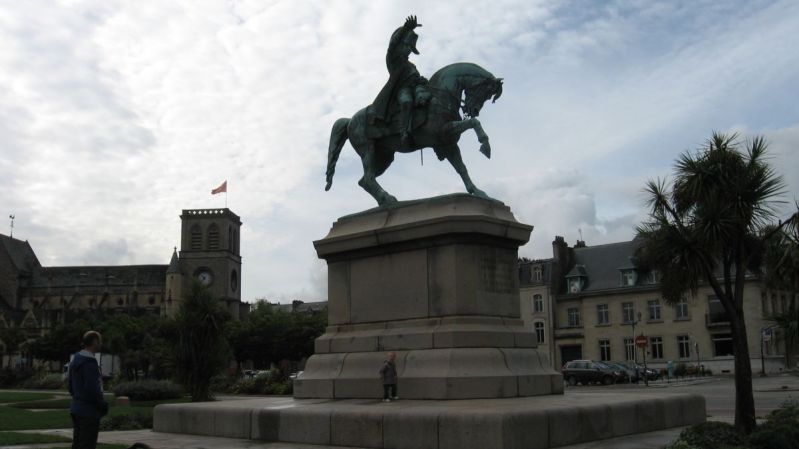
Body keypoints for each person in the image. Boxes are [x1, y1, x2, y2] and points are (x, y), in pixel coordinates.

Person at [371, 15, 431, 149]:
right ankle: (404, 132)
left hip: (416, 90)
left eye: (411, 47)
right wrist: (405, 28)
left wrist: (422, 82)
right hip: (402, 90)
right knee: (406, 101)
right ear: (401, 45)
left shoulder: (412, 66)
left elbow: (417, 80)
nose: (409, 49)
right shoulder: (393, 60)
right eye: (407, 46)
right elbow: (391, 45)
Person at [68, 331, 109, 449]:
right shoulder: (89, 363)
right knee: (87, 445)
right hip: (88, 412)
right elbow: (93, 390)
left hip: (76, 408)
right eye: (100, 341)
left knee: (77, 444)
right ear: (95, 342)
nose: (101, 343)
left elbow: (70, 386)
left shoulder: (76, 359)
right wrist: (102, 405)